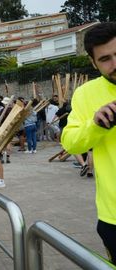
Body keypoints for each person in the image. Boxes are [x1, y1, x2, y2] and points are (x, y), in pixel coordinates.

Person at [61, 22, 116, 264]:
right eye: (105, 59)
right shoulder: (85, 94)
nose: (115, 64)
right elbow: (70, 142)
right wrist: (94, 125)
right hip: (114, 216)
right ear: (93, 63)